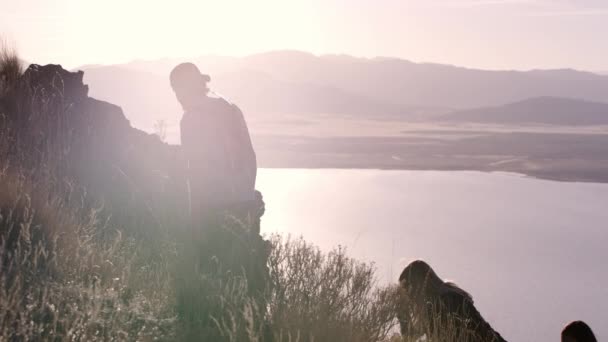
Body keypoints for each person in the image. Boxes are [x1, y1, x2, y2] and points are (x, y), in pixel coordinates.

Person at [170, 63, 263, 232]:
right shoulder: (230, 109)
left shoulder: (191, 119)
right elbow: (249, 156)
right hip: (244, 203)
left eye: (177, 90)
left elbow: (195, 170)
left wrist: (195, 217)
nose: (177, 97)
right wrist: (246, 194)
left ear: (185, 89)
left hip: (213, 210)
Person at [397, 260, 507, 342]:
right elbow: (410, 337)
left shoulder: (445, 301)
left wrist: (402, 310)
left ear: (417, 285)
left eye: (406, 288)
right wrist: (402, 312)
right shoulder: (440, 300)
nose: (407, 295)